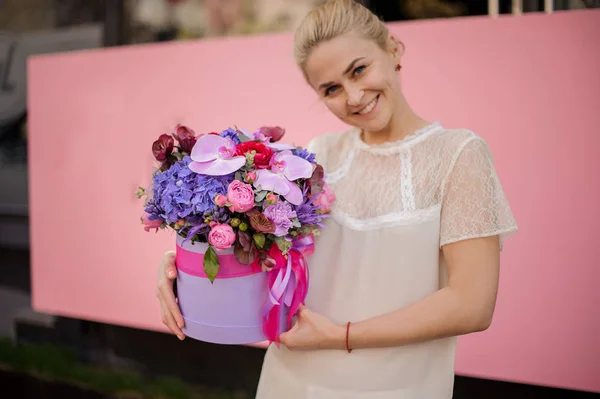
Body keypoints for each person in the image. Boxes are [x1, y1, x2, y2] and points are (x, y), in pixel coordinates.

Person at [156, 0, 518, 397]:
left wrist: (340, 336)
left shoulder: (459, 154)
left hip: (399, 387)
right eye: (331, 88)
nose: (354, 95)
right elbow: (264, 258)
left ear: (394, 49)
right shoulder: (316, 159)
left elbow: (472, 304)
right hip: (293, 381)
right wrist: (182, 271)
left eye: (359, 70)